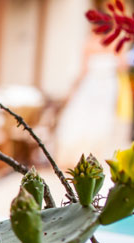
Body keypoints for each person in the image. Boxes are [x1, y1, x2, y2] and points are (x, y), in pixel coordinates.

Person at [55, 25, 132, 167]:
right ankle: (91, 156)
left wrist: (73, 89)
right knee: (99, 119)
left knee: (82, 116)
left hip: (92, 85)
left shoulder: (90, 44)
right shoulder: (116, 44)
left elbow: (83, 71)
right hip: (107, 86)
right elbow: (123, 66)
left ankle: (77, 156)